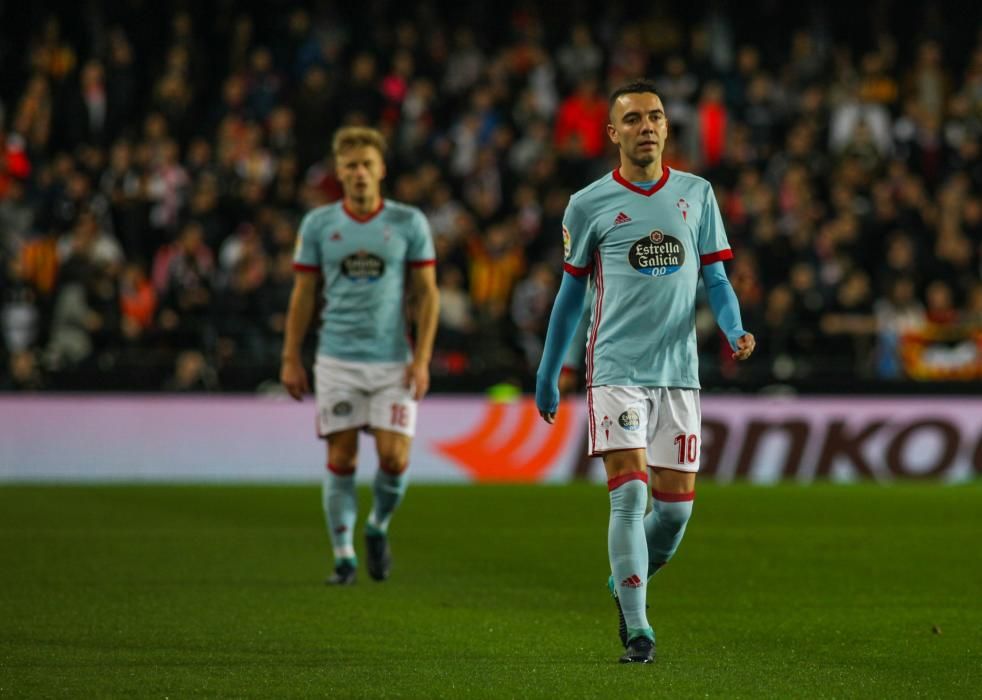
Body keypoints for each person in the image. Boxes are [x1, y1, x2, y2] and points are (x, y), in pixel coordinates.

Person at [535, 80, 755, 663]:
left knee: (675, 513)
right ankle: (638, 628)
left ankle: (626, 577)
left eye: (655, 117)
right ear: (613, 133)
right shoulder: (588, 204)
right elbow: (570, 295)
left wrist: (733, 329)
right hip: (615, 368)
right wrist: (547, 366)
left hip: (679, 372)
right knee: (628, 499)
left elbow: (716, 278)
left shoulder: (697, 193)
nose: (647, 127)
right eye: (632, 119)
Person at [280, 126, 439, 585]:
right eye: (351, 166)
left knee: (393, 458)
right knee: (344, 458)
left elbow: (427, 296)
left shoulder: (409, 223)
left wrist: (423, 358)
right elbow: (303, 295)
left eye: (367, 164)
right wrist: (291, 356)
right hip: (337, 359)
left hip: (393, 361)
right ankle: (344, 555)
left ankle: (377, 527)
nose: (360, 173)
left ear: (381, 169)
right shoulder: (319, 226)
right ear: (338, 173)